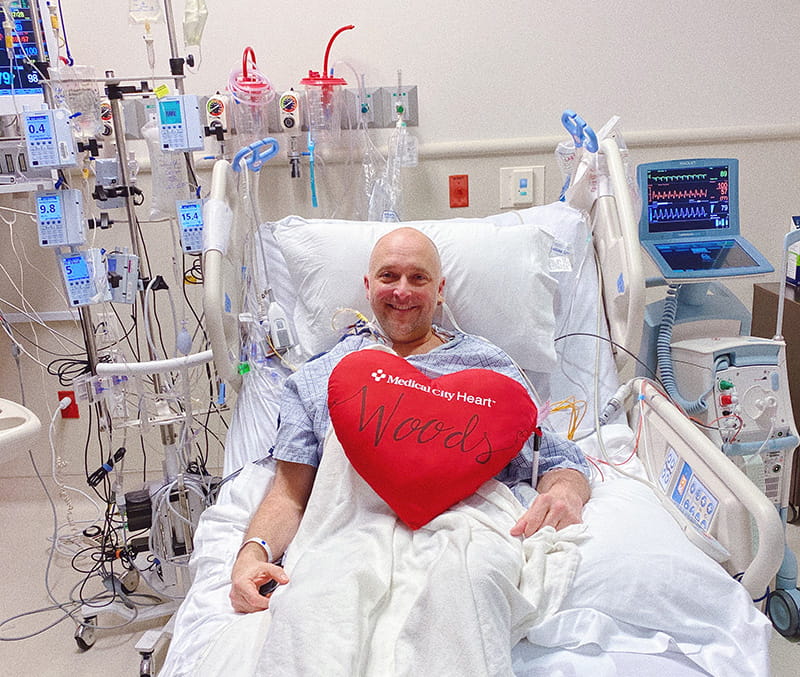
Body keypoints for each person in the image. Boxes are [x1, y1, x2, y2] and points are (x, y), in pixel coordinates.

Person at [229, 226, 591, 614]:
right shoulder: (323, 374)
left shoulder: (488, 368)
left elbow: (554, 460)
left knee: (468, 594)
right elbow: (289, 493)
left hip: (467, 540)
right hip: (348, 541)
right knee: (315, 614)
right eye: (389, 276)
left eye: (418, 278)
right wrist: (252, 555)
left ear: (440, 290)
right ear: (368, 286)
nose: (402, 290)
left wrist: (565, 493)